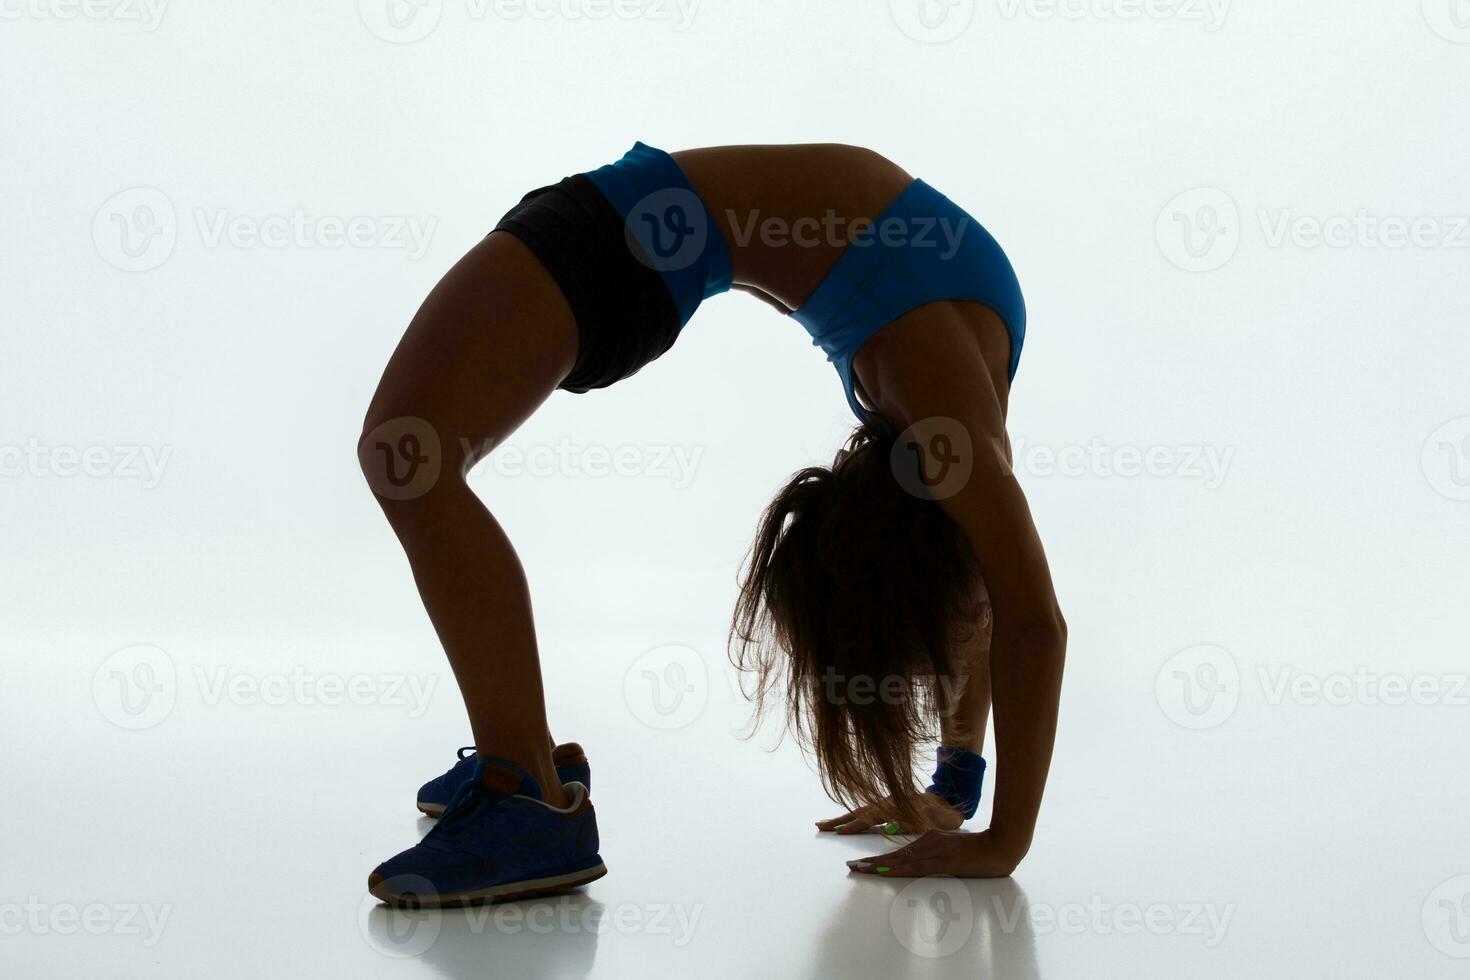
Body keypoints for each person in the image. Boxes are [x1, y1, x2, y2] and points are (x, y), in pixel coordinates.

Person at [359, 142, 1067, 907]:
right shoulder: (941, 410)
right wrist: (986, 820)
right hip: (639, 236)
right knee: (410, 457)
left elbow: (1000, 597)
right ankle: (525, 760)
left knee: (408, 455)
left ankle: (524, 791)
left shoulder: (945, 401)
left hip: (632, 238)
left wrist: (978, 809)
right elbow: (1024, 614)